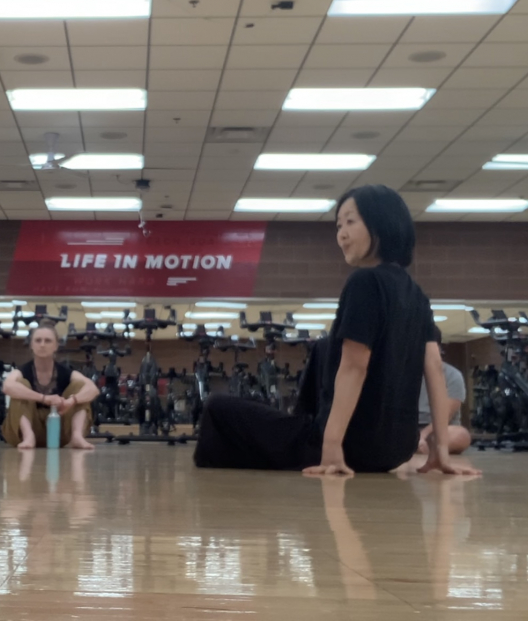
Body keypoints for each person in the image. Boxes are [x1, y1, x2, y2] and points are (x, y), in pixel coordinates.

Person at [194, 185, 479, 477]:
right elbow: (434, 369)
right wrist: (440, 451)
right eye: (339, 225)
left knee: (217, 408)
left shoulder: (364, 282)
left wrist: (331, 446)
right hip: (397, 450)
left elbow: (355, 366)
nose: (341, 234)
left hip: (351, 446)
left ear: (382, 224)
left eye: (350, 222)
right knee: (323, 350)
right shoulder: (417, 294)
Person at [1, 325, 100, 450]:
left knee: (80, 387)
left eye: (47, 341)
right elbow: (7, 386)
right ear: (31, 345)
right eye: (38, 340)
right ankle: (28, 436)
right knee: (19, 385)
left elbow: (92, 388)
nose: (42, 345)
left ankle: (77, 436)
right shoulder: (22, 370)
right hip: (27, 429)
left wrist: (72, 401)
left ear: (56, 346)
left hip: (58, 431)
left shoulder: (65, 371)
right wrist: (43, 398)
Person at [417, 349, 471, 456]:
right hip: (408, 428)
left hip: (437, 429)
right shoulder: (400, 374)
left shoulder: (453, 375)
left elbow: (446, 416)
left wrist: (422, 436)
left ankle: (420, 447)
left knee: (462, 435)